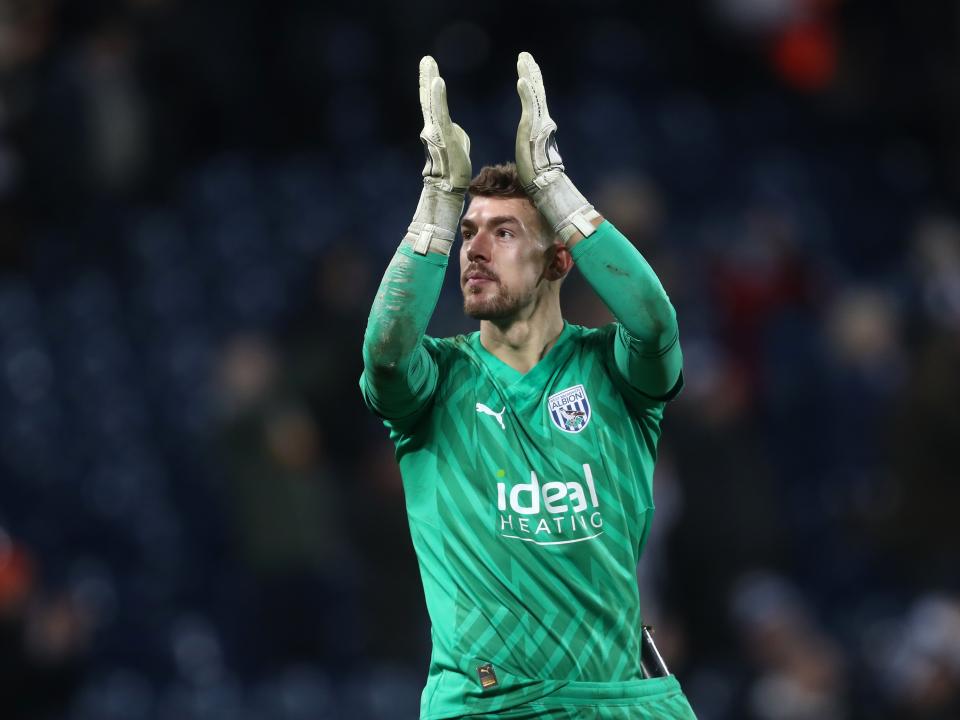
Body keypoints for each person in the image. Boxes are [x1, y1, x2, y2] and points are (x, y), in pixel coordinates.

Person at [360, 52, 695, 720]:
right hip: (487, 706)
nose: (475, 248)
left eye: (504, 231)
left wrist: (553, 185)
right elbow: (386, 353)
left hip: (620, 700)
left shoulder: (612, 372)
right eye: (469, 233)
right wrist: (437, 201)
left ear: (559, 258)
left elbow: (655, 322)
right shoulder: (439, 382)